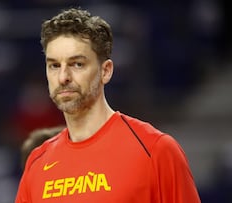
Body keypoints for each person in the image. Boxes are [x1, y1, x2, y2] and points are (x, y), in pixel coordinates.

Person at [15, 7, 201, 203]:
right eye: (54, 65)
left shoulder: (155, 150)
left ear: (106, 71)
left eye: (77, 64)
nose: (63, 77)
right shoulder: (37, 163)